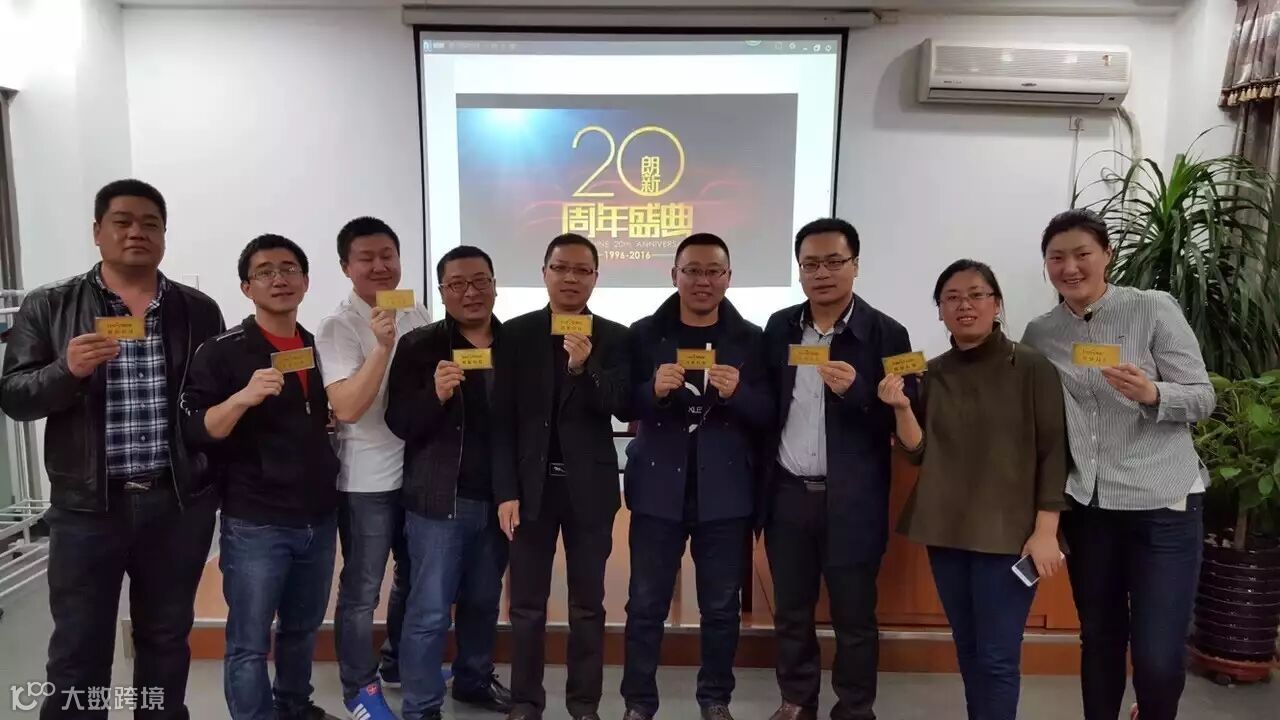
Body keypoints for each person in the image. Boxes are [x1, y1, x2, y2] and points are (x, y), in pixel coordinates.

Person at [0, 179, 224, 720]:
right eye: (122, 222)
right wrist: (66, 370)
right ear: (98, 231)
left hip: (176, 504)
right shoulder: (50, 304)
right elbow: (15, 397)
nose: (136, 232)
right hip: (87, 508)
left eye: (150, 223)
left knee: (166, 639)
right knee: (79, 648)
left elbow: (212, 400)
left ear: (164, 235)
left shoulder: (197, 310)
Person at [1022, 209, 1215, 720]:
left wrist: (1154, 393)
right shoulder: (1041, 333)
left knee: (1158, 654)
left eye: (1082, 254)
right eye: (1057, 258)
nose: (1070, 267)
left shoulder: (1152, 309)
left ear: (1107, 255)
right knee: (1100, 639)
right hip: (1091, 508)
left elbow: (1203, 397)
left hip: (1164, 505)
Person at [880, 259, 1068, 720]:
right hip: (946, 531)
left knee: (998, 656)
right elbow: (917, 452)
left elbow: (1053, 452)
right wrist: (901, 408)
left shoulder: (1032, 366)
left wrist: (1046, 531)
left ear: (996, 303)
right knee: (967, 648)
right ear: (940, 310)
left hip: (1009, 537)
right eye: (952, 298)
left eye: (976, 295)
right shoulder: (931, 372)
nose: (964, 305)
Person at [181, 235, 340, 720]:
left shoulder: (317, 346)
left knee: (302, 628)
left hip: (318, 515)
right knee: (249, 641)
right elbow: (195, 428)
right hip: (256, 520)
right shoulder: (222, 351)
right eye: (265, 271)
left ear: (306, 281)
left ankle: (294, 705)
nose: (279, 279)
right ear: (246, 287)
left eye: (289, 269)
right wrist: (242, 399)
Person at [761, 218, 914, 720]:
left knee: (854, 616)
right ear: (799, 270)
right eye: (811, 264)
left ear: (855, 265)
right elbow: (767, 405)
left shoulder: (888, 333)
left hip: (853, 499)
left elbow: (905, 416)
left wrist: (858, 392)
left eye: (833, 262)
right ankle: (796, 700)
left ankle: (854, 707)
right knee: (791, 612)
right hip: (788, 495)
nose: (822, 273)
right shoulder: (779, 327)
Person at [619, 232, 772, 720]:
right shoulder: (643, 333)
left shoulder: (753, 339)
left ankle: (715, 700)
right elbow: (622, 404)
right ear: (674, 275)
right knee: (645, 605)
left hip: (725, 493)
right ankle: (638, 703)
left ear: (728, 277)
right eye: (692, 271)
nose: (703, 281)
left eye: (713, 271)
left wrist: (738, 394)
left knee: (722, 608)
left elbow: (769, 413)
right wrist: (652, 391)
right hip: (657, 491)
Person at [492, 234, 631, 720]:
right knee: (526, 605)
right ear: (545, 272)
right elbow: (502, 420)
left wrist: (582, 367)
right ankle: (526, 701)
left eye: (581, 270)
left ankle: (584, 705)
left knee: (588, 605)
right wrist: (506, 490)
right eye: (560, 268)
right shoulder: (515, 333)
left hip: (589, 490)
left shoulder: (615, 336)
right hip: (530, 491)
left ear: (595, 277)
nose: (570, 278)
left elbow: (623, 404)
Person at [385, 246, 512, 720]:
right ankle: (421, 705)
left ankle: (474, 681)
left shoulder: (516, 343)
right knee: (431, 610)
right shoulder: (419, 345)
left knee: (483, 601)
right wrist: (434, 395)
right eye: (457, 284)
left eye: (480, 281)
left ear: (495, 285)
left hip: (499, 500)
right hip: (439, 500)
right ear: (442, 292)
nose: (470, 292)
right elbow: (399, 421)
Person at [315, 217, 430, 720]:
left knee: (414, 576)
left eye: (388, 255)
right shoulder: (338, 326)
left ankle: (397, 663)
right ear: (347, 267)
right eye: (367, 258)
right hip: (366, 480)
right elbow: (347, 407)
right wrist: (382, 347)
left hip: (419, 471)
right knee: (363, 590)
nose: (380, 266)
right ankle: (358, 688)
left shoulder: (413, 308)